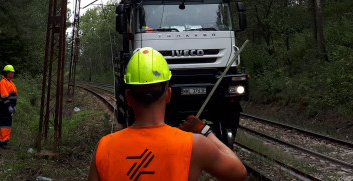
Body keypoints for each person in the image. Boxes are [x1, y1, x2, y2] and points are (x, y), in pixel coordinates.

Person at [88, 48, 247, 181]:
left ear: (129, 98)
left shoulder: (103, 148)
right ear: (169, 94)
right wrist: (205, 131)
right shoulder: (195, 146)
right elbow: (239, 172)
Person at [0, 64, 18, 149]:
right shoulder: (3, 83)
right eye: (12, 72)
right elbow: (5, 96)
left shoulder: (11, 83)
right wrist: (9, 106)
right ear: (7, 73)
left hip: (9, 108)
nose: (13, 74)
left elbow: (14, 96)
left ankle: (5, 140)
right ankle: (3, 142)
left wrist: (14, 106)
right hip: (4, 107)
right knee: (5, 124)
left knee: (8, 124)